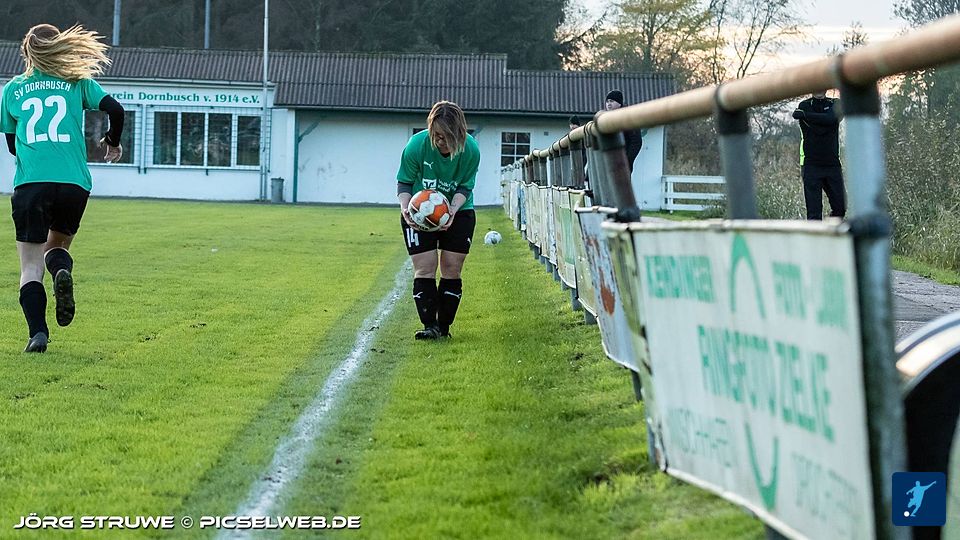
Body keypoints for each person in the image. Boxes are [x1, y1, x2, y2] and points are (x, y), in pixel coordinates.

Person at [1, 24, 125, 352]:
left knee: (30, 266)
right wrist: (112, 141)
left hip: (31, 184)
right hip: (73, 183)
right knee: (56, 247)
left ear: (27, 52)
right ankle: (60, 271)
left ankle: (38, 334)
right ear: (59, 46)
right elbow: (116, 109)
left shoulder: (13, 89)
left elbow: (12, 146)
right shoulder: (77, 81)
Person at [397, 101, 480, 340]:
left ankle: (444, 327)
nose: (440, 141)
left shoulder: (471, 150)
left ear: (458, 133)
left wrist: (452, 210)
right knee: (424, 267)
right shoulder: (416, 145)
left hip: (459, 211)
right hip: (418, 214)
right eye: (436, 135)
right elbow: (404, 182)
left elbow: (465, 186)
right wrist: (405, 208)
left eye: (445, 136)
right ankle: (429, 326)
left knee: (452, 267)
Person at [793, 90, 844, 220]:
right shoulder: (804, 105)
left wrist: (805, 115)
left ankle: (830, 229)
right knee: (814, 215)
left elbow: (831, 119)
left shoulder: (835, 103)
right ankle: (818, 233)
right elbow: (822, 127)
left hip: (832, 164)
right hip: (811, 165)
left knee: (840, 208)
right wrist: (827, 121)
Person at [604, 90, 643, 172]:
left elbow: (636, 142)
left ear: (619, 104)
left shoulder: (628, 118)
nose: (609, 104)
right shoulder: (605, 119)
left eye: (612, 101)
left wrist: (627, 161)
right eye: (607, 101)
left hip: (622, 164)